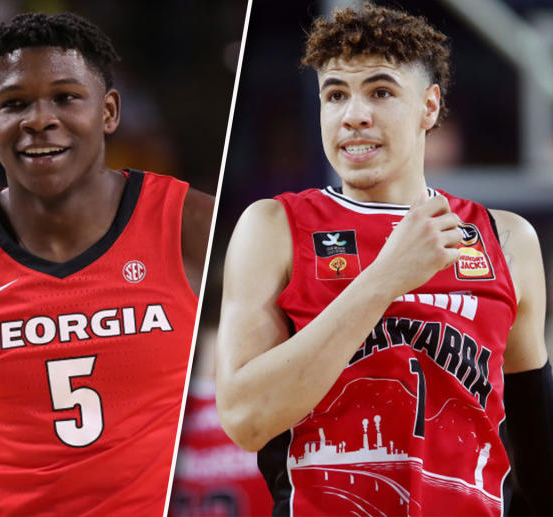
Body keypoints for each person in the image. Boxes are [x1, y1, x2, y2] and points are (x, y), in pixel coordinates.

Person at [0, 12, 213, 516]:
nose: (40, 119)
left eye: (66, 97)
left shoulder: (194, 226)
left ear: (109, 111)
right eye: (15, 103)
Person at [215, 4, 552, 515]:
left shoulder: (506, 238)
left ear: (430, 107)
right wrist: (384, 280)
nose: (353, 115)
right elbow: (246, 419)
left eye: (380, 92)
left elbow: (538, 454)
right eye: (335, 95)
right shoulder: (273, 227)